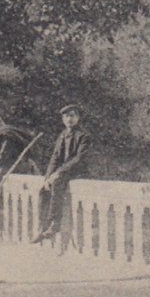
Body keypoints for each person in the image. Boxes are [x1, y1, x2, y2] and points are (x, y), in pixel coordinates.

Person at [34, 104, 90, 244]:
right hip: (62, 172)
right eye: (66, 116)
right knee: (44, 190)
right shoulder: (63, 135)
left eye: (72, 115)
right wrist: (47, 177)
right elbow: (55, 157)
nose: (69, 119)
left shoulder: (83, 136)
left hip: (77, 171)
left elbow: (79, 159)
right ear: (62, 119)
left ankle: (55, 223)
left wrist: (58, 173)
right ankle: (42, 225)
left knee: (58, 183)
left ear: (78, 118)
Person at [0, 114, 41, 186]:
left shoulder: (6, 134)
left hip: (17, 168)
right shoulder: (13, 132)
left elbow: (4, 154)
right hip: (25, 165)